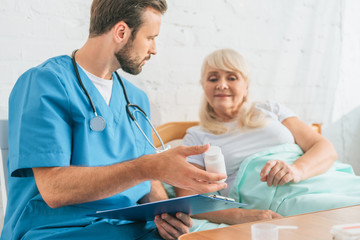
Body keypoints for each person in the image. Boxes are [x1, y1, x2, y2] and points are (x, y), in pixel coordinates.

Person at [1, 1, 228, 239]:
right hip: (58, 231)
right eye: (150, 37)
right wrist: (149, 166)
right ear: (121, 32)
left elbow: (148, 181)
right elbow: (54, 189)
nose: (154, 49)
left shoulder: (135, 99)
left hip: (127, 229)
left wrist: (167, 215)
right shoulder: (44, 83)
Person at [176, 48, 360, 231]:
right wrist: (240, 215)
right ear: (203, 85)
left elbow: (324, 147)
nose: (222, 85)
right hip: (283, 198)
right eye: (213, 78)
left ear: (246, 86)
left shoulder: (270, 109)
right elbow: (189, 198)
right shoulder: (196, 136)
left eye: (232, 78)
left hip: (321, 179)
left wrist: (296, 170)